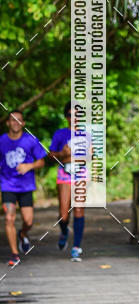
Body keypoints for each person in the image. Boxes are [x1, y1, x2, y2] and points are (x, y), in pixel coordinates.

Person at [0, 110, 46, 267]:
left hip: (26, 186)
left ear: (23, 123)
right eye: (13, 120)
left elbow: (42, 161)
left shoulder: (30, 140)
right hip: (7, 186)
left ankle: (23, 233)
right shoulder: (2, 141)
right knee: (9, 218)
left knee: (28, 221)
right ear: (8, 123)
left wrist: (29, 165)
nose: (15, 123)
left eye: (19, 120)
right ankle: (15, 254)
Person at [48, 102, 86, 262]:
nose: (73, 118)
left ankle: (76, 247)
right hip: (64, 173)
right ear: (66, 117)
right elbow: (51, 155)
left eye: (76, 114)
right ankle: (64, 231)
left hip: (81, 174)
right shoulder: (60, 134)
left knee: (79, 210)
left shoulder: (86, 134)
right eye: (70, 115)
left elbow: (92, 156)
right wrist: (62, 153)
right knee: (64, 215)